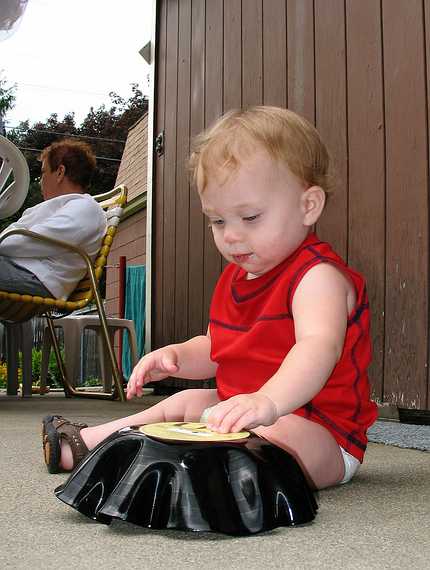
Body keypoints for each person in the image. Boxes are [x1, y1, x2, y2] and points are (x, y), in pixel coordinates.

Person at [43, 107, 378, 490]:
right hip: (240, 413)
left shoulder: (317, 277)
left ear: (308, 206)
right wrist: (177, 356)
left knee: (277, 431)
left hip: (320, 431)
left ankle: (201, 474)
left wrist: (266, 402)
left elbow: (318, 348)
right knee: (187, 402)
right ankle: (95, 443)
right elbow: (216, 348)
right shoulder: (234, 279)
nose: (231, 236)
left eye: (250, 217)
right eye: (218, 221)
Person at [0, 139, 107, 300]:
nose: (40, 181)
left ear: (60, 172)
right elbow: (12, 238)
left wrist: (10, 239)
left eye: (43, 173)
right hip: (21, 270)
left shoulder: (85, 208)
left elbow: (19, 243)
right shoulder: (60, 208)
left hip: (35, 277)